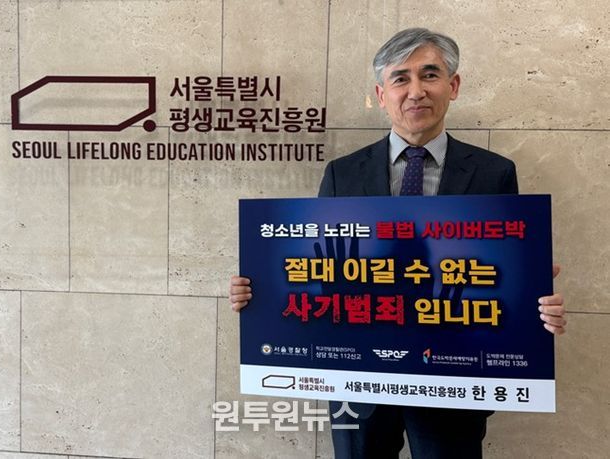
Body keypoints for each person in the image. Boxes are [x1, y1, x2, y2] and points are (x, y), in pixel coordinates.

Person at [229, 28, 566, 458]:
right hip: (357, 379)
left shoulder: (493, 173)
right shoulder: (342, 174)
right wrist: (261, 292)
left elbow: (503, 275)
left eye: (430, 75)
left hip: (452, 380)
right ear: (381, 94)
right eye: (400, 78)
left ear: (453, 85)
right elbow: (317, 265)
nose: (416, 91)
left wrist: (535, 303)